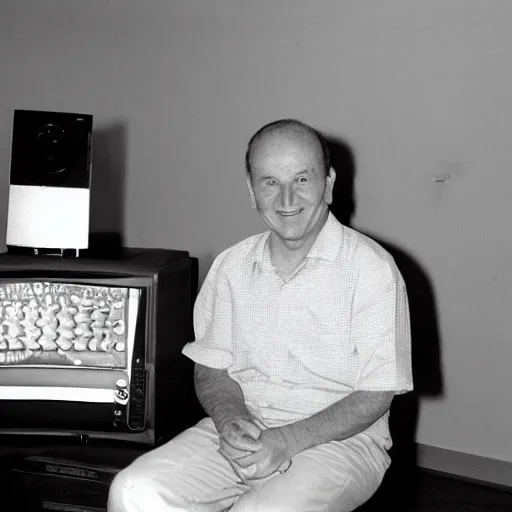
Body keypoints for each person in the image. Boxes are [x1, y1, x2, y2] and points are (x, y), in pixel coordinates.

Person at [108, 118, 413, 512]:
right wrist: (231, 421)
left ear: (330, 183)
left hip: (341, 444)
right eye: (270, 182)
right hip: (248, 427)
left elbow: (377, 393)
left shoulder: (372, 269)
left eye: (302, 179)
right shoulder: (231, 266)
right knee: (133, 490)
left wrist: (286, 441)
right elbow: (211, 368)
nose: (287, 200)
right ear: (251, 191)